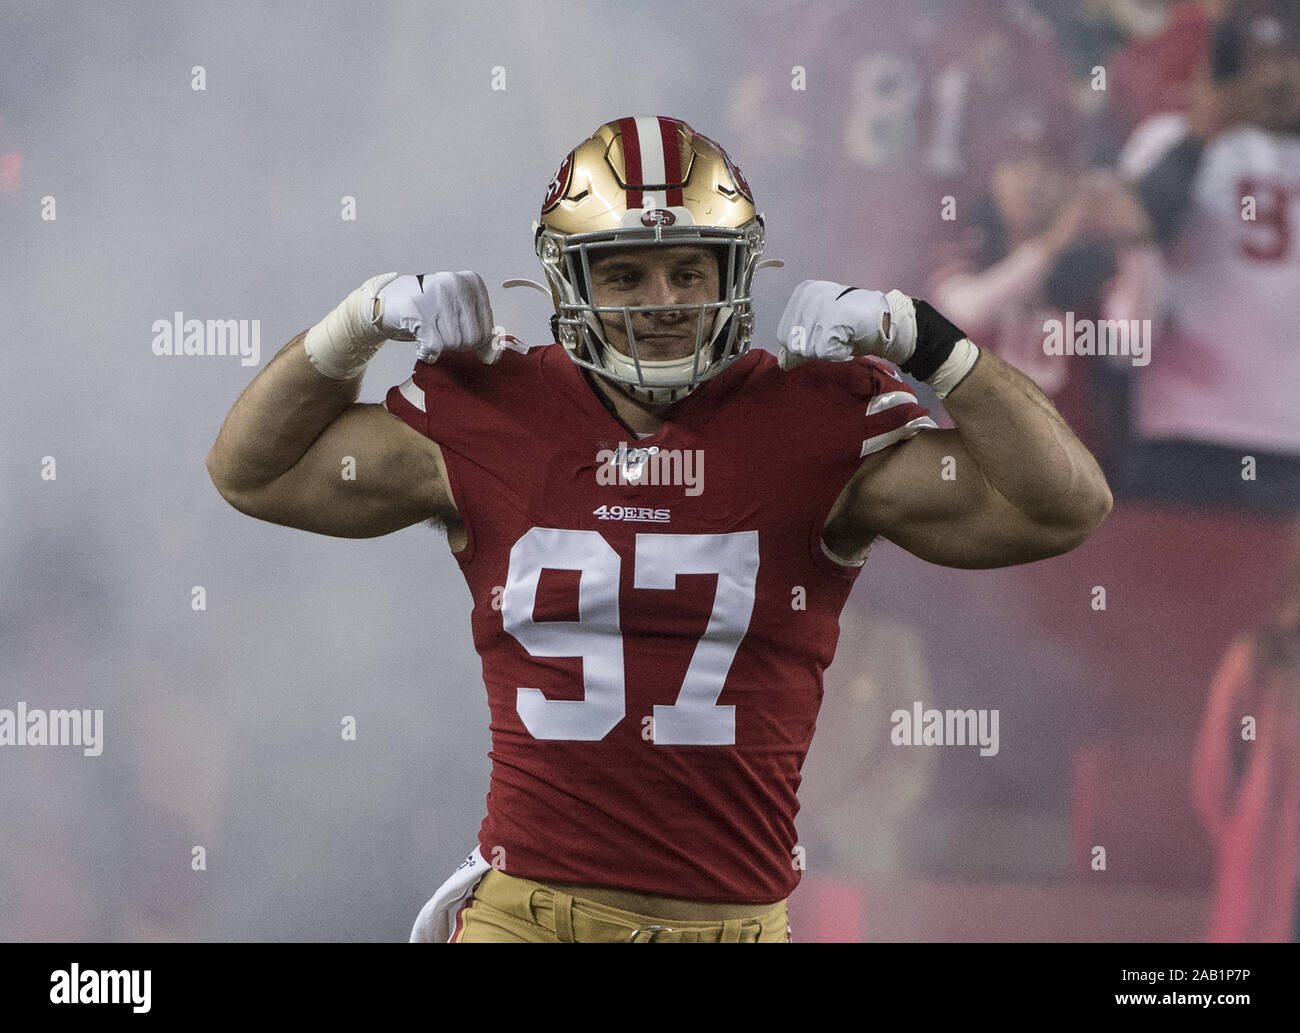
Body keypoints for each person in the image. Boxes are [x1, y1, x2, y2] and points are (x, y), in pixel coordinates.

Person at [205, 116, 1112, 943]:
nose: (663, 298)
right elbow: (253, 470)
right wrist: (355, 322)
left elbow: (1063, 503)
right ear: (572, 280)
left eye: (690, 267)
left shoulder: (812, 415)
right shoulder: (494, 410)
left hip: (735, 926)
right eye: (626, 272)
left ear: (736, 271)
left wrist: (927, 339)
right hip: (531, 921)